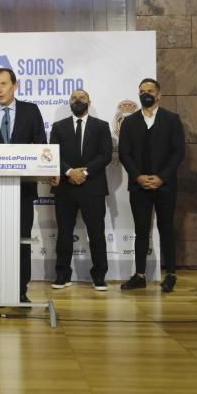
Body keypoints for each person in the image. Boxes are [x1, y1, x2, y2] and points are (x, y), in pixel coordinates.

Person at [0, 68, 46, 303]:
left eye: (3, 84)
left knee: (21, 239)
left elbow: (41, 146)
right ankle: (1, 289)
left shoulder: (31, 111)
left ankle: (21, 290)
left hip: (23, 190)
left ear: (15, 85)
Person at [118, 78, 185, 292]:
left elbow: (178, 152)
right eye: (141, 91)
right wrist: (138, 176)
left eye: (149, 91)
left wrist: (162, 177)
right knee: (141, 230)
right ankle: (139, 274)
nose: (145, 94)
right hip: (139, 186)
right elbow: (124, 153)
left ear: (158, 95)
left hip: (164, 185)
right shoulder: (129, 122)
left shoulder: (172, 120)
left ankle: (170, 274)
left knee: (166, 229)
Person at [49, 89, 112, 291]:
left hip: (92, 187)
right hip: (65, 188)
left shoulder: (101, 126)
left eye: (81, 98)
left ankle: (100, 276)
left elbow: (106, 155)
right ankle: (62, 274)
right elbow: (53, 154)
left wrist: (84, 173)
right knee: (64, 233)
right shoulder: (59, 127)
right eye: (73, 98)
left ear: (89, 101)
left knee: (97, 233)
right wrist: (69, 171)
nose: (77, 101)